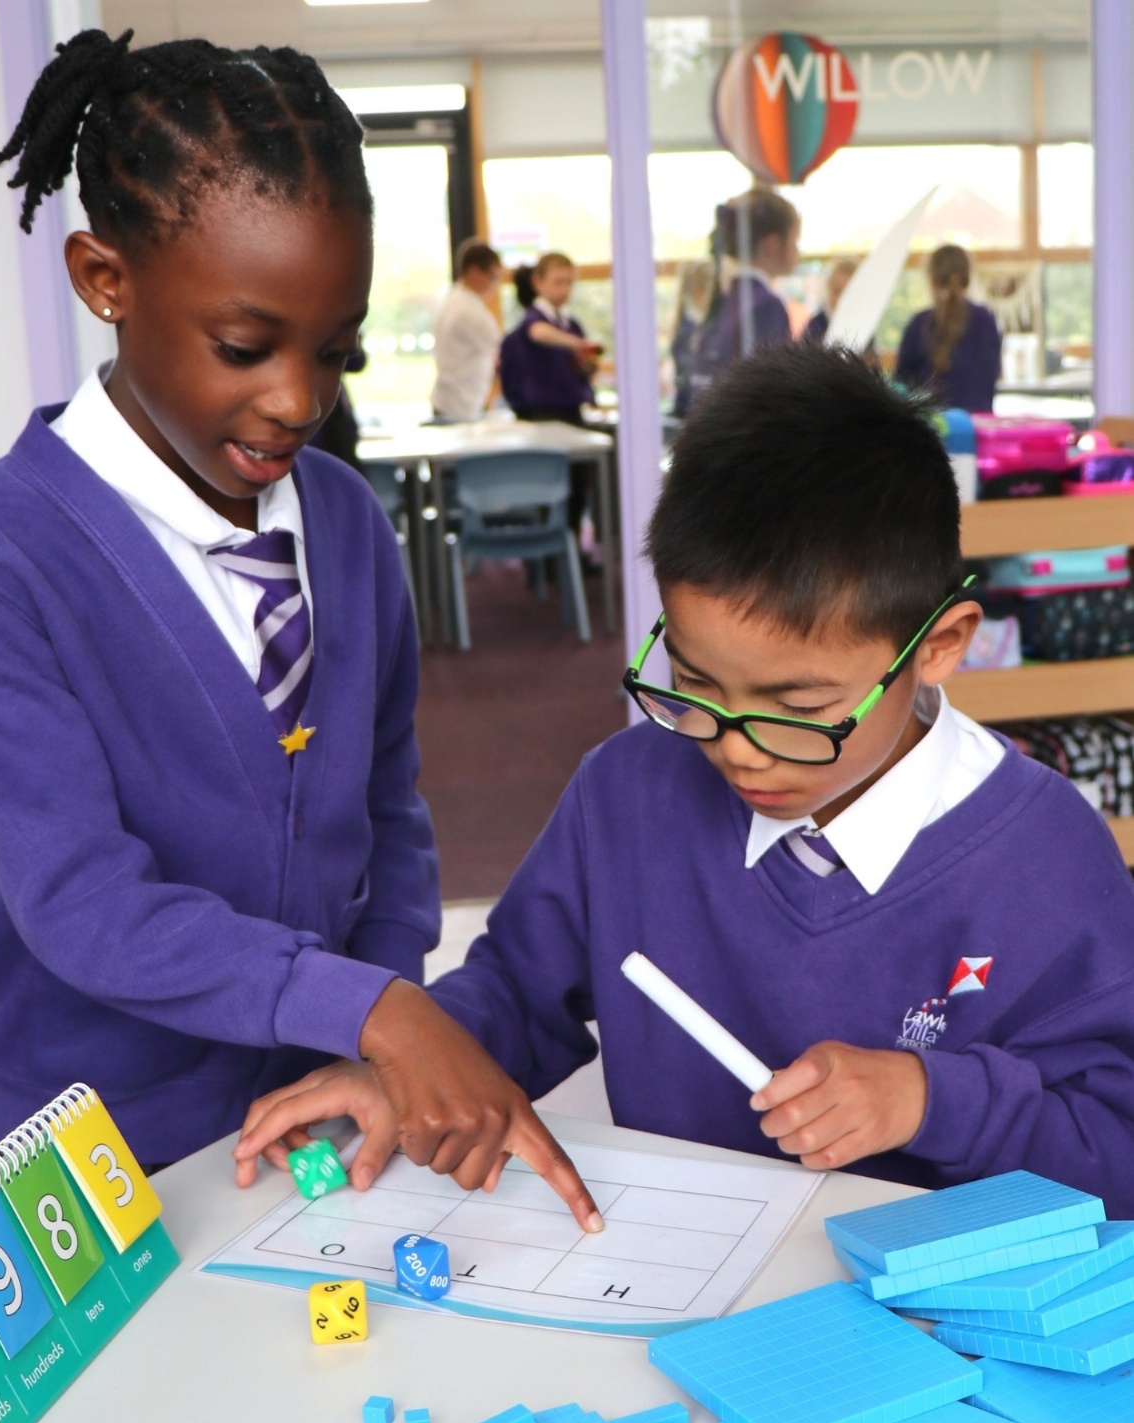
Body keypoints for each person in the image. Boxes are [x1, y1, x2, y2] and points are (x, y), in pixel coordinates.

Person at [0, 30, 598, 1225]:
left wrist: (374, 1011)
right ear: (104, 278)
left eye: (336, 352)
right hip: (97, 1147)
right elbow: (81, 900)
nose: (297, 399)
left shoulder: (345, 520)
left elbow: (386, 807)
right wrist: (371, 1011)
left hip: (313, 1113)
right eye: (244, 348)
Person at [236, 343, 1134, 1215]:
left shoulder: (1047, 860)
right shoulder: (626, 795)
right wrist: (418, 1069)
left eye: (798, 706)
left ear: (938, 645)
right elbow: (515, 992)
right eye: (695, 684)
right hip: (683, 1273)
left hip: (926, 1308)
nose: (738, 748)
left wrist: (929, 1099)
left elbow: (1116, 1155)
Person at [684, 189, 798, 396]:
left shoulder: (723, 301)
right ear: (772, 244)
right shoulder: (767, 306)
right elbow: (772, 390)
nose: (798, 251)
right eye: (795, 240)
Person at [896, 244, 1002, 413]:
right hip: (976, 423)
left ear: (932, 280)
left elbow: (901, 386)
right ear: (967, 278)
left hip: (931, 423)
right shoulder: (985, 320)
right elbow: (992, 375)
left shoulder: (919, 324)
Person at [499, 253, 600, 424]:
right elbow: (538, 332)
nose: (564, 289)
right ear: (537, 282)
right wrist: (576, 344)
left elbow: (579, 368)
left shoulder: (572, 325)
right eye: (558, 282)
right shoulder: (533, 319)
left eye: (569, 283)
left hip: (571, 409)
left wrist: (586, 365)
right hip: (540, 413)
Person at [430, 240, 503, 423]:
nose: (495, 285)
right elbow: (503, 350)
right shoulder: (468, 310)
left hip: (454, 401)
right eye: (493, 277)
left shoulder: (454, 299)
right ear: (474, 272)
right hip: (460, 405)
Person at [670, 258, 717, 419]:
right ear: (699, 291)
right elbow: (691, 378)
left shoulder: (690, 325)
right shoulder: (690, 330)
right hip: (692, 412)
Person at [805, 257, 858, 342]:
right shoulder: (815, 327)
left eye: (848, 293)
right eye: (837, 291)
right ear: (827, 290)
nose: (841, 299)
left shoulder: (866, 326)